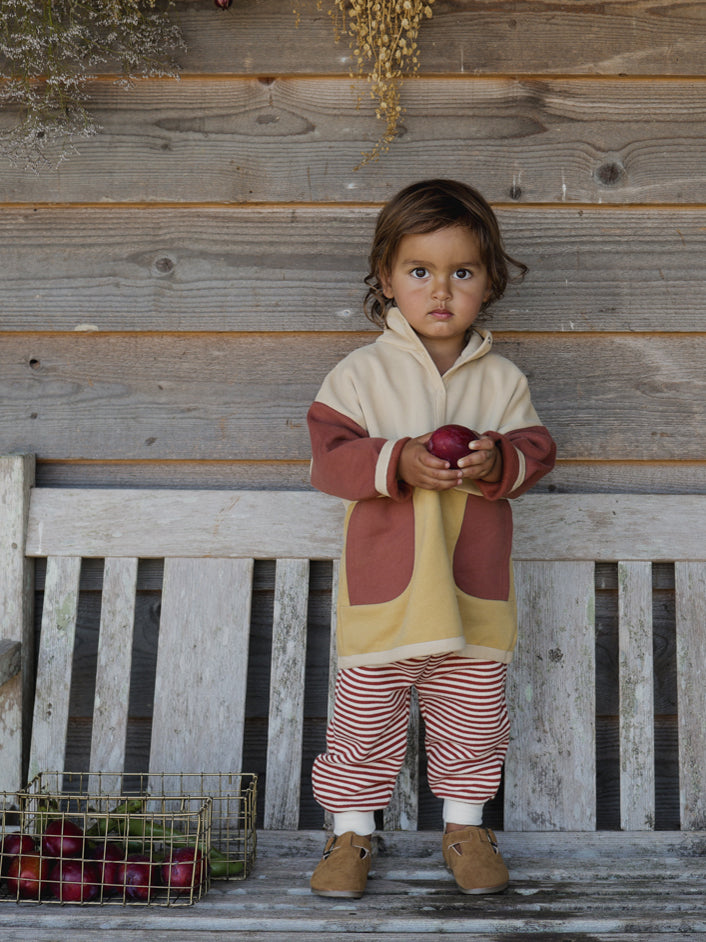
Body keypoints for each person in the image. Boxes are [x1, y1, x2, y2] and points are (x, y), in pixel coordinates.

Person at [306, 178, 556, 899]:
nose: (440, 290)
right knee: (363, 724)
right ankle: (351, 831)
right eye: (420, 271)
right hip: (387, 596)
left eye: (463, 272)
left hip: (470, 594)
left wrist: (497, 461)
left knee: (474, 722)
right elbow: (330, 460)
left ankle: (466, 828)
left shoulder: (501, 381)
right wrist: (398, 459)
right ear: (387, 279)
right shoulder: (359, 376)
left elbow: (536, 452)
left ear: (489, 284)